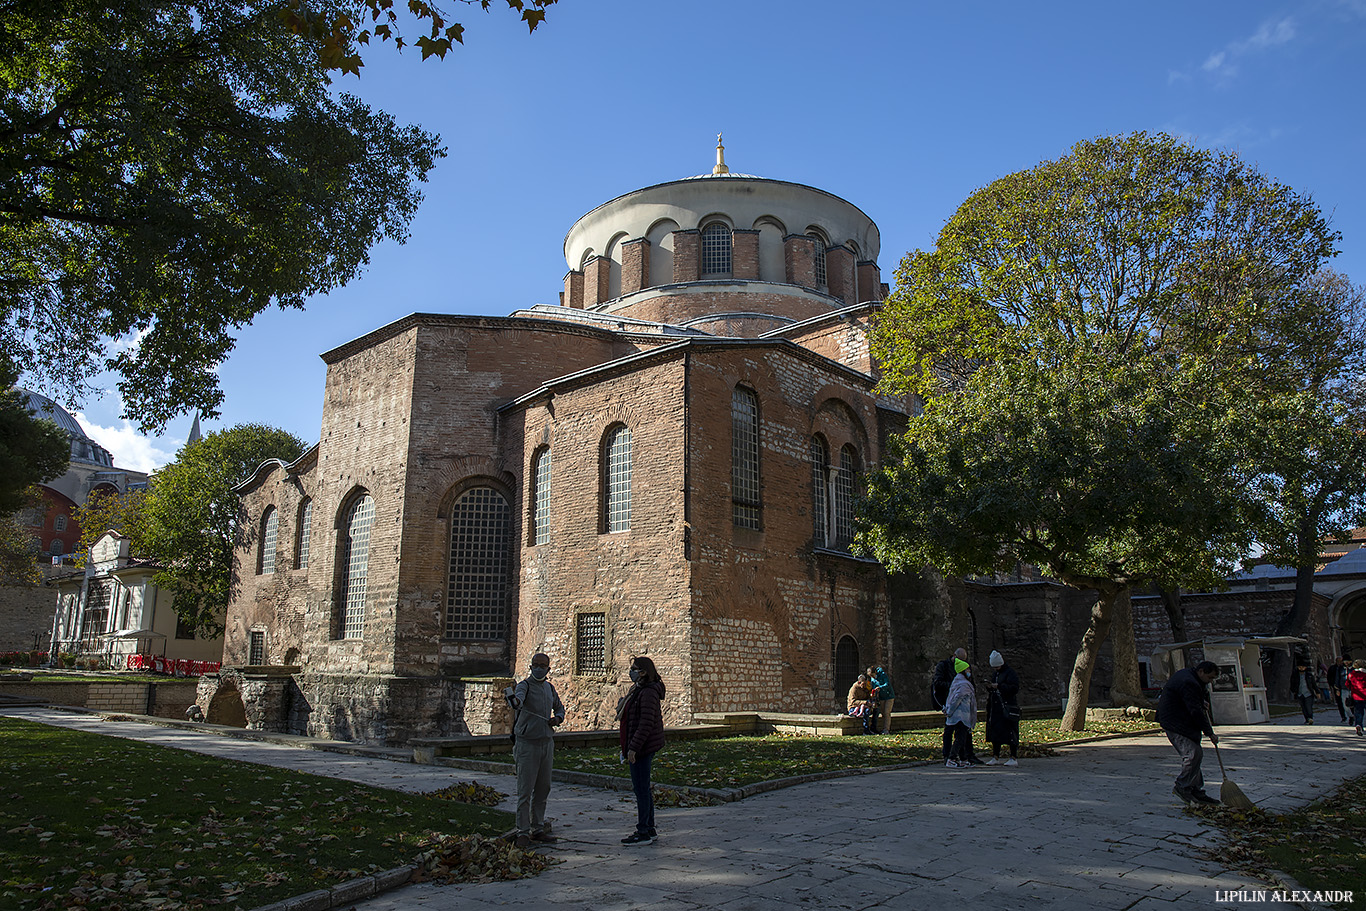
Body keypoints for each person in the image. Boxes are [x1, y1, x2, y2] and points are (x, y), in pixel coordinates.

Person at [507, 652, 565, 848]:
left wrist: (557, 719)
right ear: (531, 667)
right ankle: (522, 831)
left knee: (543, 788)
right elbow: (518, 701)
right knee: (525, 790)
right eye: (536, 664)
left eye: (543, 665)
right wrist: (515, 701)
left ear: (548, 669)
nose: (539, 668)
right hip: (527, 744)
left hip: (546, 743)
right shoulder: (525, 686)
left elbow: (560, 709)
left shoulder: (549, 688)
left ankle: (537, 828)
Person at [1156, 660, 1221, 805]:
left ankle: (1196, 790)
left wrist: (1200, 700)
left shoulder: (1191, 677)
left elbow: (1192, 699)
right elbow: (1195, 711)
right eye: (1209, 677)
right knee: (1193, 754)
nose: (1210, 682)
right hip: (1174, 721)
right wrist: (1210, 732)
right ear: (1201, 671)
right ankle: (1183, 786)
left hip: (1182, 720)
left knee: (1195, 755)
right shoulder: (1188, 681)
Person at [618, 655, 665, 845]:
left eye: (635, 668)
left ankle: (643, 831)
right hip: (639, 745)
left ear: (644, 672)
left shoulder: (648, 693)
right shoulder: (639, 690)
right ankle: (649, 828)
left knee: (641, 790)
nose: (631, 671)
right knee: (643, 789)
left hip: (642, 748)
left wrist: (633, 748)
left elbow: (646, 723)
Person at [984, 650, 1020, 766]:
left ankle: (1013, 757)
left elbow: (1014, 688)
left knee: (1010, 731)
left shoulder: (1010, 673)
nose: (996, 669)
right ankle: (995, 755)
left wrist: (999, 686)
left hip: (1007, 705)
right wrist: (990, 687)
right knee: (996, 731)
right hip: (996, 707)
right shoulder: (996, 674)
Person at [932, 648, 968, 760]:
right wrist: (953, 686)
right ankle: (947, 754)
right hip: (947, 700)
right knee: (949, 729)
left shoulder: (963, 668)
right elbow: (937, 682)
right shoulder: (943, 666)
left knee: (960, 730)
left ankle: (962, 755)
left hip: (959, 704)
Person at [942, 658, 978, 768]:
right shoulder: (963, 685)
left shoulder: (957, 682)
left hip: (958, 716)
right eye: (967, 669)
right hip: (961, 716)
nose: (969, 671)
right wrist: (950, 710)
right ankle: (952, 758)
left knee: (961, 737)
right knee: (960, 738)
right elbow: (957, 699)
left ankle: (963, 759)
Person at [867, 665, 896, 734]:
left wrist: (880, 687)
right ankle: (883, 728)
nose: (872, 677)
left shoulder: (883, 675)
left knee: (887, 712)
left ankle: (886, 729)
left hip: (889, 696)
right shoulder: (872, 679)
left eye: (872, 675)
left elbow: (887, 684)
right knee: (883, 713)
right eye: (870, 676)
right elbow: (873, 686)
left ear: (875, 672)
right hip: (881, 697)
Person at [1291, 657, 1318, 725]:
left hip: (1308, 693)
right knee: (1303, 707)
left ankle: (1310, 718)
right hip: (1300, 693)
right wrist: (1293, 690)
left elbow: (1313, 684)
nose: (1301, 668)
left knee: (1308, 706)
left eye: (1303, 667)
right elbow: (1292, 683)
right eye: (1300, 667)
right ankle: (1307, 718)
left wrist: (1317, 692)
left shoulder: (1309, 675)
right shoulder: (1295, 675)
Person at [1327, 655, 1349, 724]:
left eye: (1341, 661)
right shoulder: (1333, 668)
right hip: (1336, 688)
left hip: (1345, 687)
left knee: (1348, 702)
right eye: (1338, 661)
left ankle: (1351, 715)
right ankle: (1343, 716)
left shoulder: (1344, 668)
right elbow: (1329, 677)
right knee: (1340, 703)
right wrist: (1332, 685)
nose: (1340, 662)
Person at [1347, 659, 1366, 736]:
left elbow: (1347, 685)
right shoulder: (1365, 674)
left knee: (1358, 712)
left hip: (1356, 696)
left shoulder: (1351, 675)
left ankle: (1359, 725)